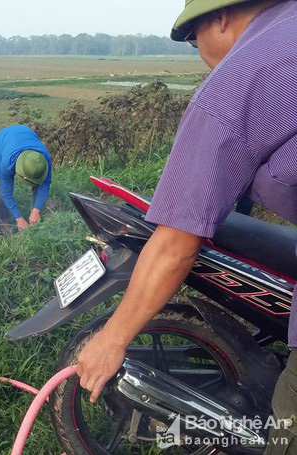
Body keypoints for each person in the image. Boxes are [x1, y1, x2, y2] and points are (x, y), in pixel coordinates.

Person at [76, 2, 297, 454]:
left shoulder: (237, 82)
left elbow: (177, 243)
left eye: (194, 40)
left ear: (218, 17)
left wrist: (111, 340)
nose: (200, 53)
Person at [0, 125, 52, 233]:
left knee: (38, 182)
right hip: (1, 141)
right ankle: (3, 221)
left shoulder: (44, 159)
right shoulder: (7, 162)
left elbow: (46, 183)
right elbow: (6, 192)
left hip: (26, 135)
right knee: (2, 189)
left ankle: (34, 215)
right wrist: (19, 218)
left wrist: (36, 210)